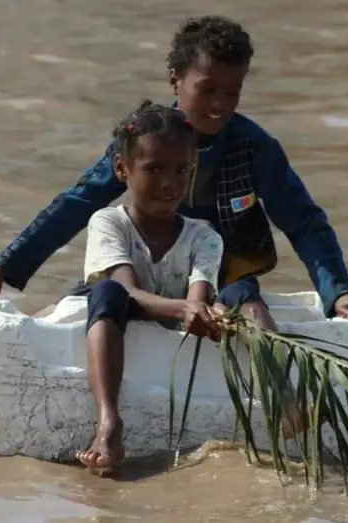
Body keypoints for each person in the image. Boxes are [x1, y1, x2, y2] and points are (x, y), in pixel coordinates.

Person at [0, 14, 348, 326]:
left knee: (246, 303)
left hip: (216, 286)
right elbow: (75, 205)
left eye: (233, 92)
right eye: (207, 89)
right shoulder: (145, 140)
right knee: (61, 314)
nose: (220, 105)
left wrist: (338, 291)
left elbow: (304, 221)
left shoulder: (254, 147)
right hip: (140, 281)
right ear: (175, 81)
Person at [48, 101, 229, 473]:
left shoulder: (204, 237)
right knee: (106, 292)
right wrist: (183, 309)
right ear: (122, 169)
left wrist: (199, 310)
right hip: (108, 303)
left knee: (243, 293)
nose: (169, 183)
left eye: (182, 170)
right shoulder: (108, 223)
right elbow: (126, 291)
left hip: (151, 312)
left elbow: (198, 296)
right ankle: (108, 422)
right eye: (154, 169)